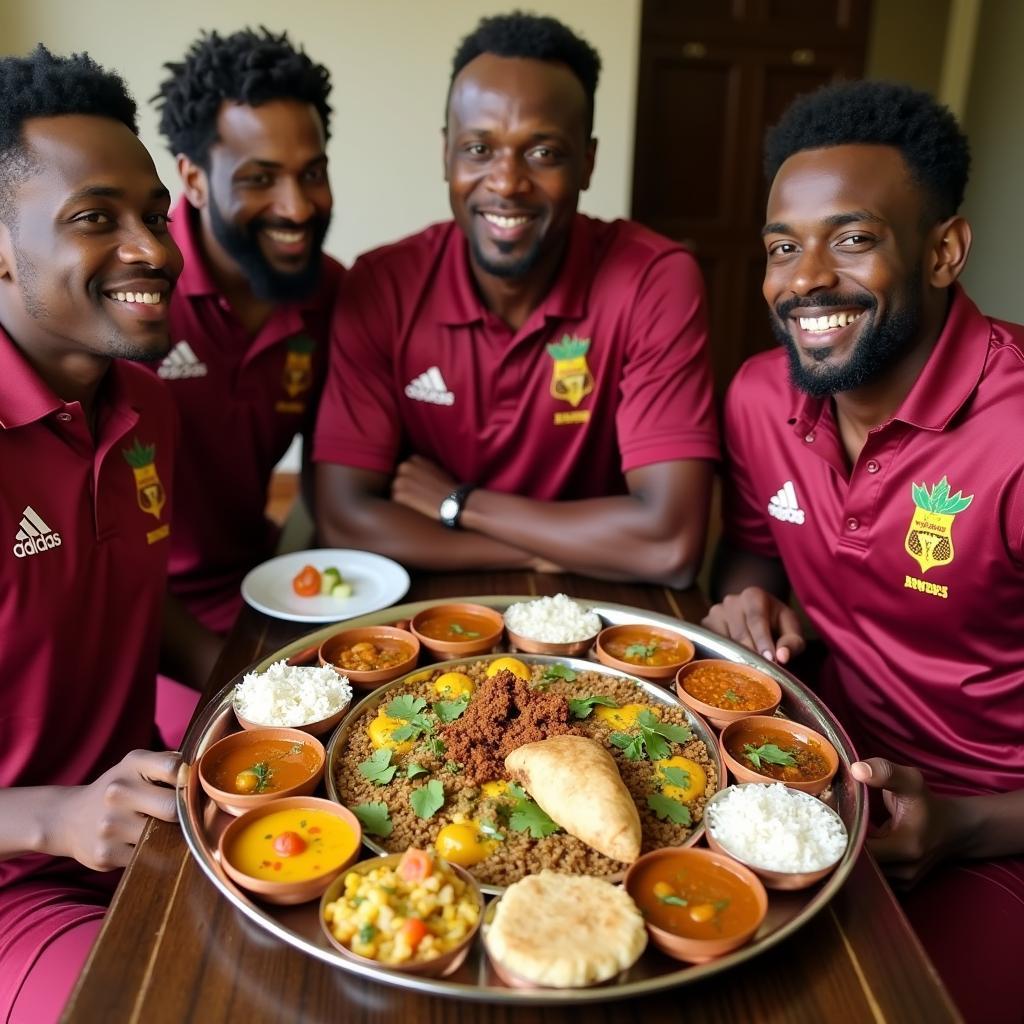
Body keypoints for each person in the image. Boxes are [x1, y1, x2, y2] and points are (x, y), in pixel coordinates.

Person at [703, 80, 1023, 1023]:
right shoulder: (761, 397)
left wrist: (966, 827)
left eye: (851, 239)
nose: (803, 279)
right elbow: (755, 552)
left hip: (991, 830)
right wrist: (748, 602)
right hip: (800, 775)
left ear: (942, 250)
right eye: (780, 248)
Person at [314, 12, 718, 585]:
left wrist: (462, 504)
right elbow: (344, 520)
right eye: (479, 148)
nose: (506, 182)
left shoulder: (655, 278)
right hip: (433, 603)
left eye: (543, 153)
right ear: (446, 154)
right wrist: (536, 553)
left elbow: (669, 545)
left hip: (601, 611)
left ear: (588, 162)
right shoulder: (383, 284)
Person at [0, 47, 183, 1022]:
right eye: (94, 219)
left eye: (153, 214)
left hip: (139, 818)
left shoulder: (147, 406)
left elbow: (133, 598)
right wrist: (54, 816)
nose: (152, 247)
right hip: (16, 880)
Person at [150, 28, 344, 740]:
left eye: (312, 172)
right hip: (146, 620)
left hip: (264, 586)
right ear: (193, 179)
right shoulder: (137, 295)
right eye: (259, 178)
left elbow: (335, 490)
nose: (296, 207)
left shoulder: (330, 297)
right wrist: (235, 672)